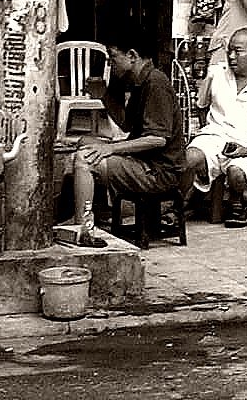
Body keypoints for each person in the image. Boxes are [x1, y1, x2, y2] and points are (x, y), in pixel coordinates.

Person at [69, 25, 186, 248]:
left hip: (159, 171)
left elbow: (157, 139)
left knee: (84, 159)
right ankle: (99, 214)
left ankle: (82, 228)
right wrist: (103, 95)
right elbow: (126, 123)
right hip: (146, 162)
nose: (110, 64)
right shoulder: (138, 82)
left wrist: (111, 148)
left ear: (132, 55)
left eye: (113, 57)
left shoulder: (156, 83)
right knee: (85, 142)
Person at [185, 26, 247, 227]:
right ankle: (178, 204)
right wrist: (209, 132)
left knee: (236, 173)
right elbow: (202, 106)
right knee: (190, 157)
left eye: (238, 51)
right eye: (229, 50)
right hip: (214, 137)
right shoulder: (215, 74)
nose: (231, 56)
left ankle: (237, 203)